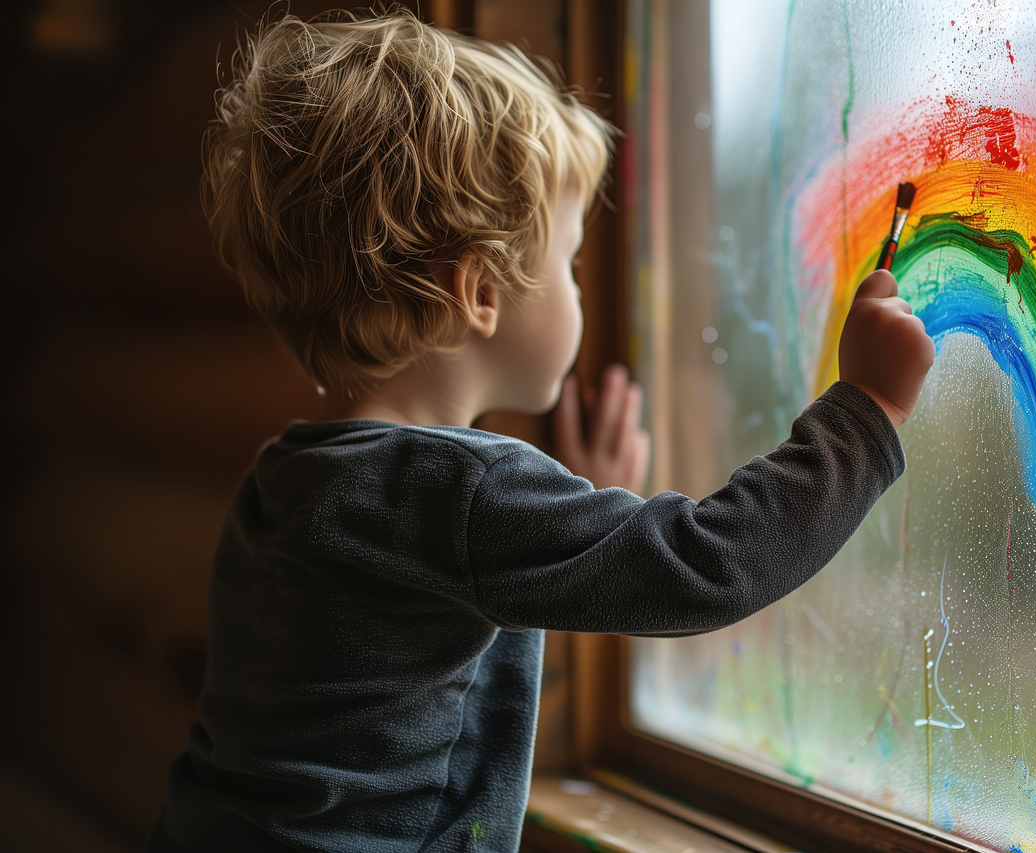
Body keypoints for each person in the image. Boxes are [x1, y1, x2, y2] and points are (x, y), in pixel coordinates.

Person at [146, 8, 934, 852]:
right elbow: (705, 565)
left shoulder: (281, 481)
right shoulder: (463, 495)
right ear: (480, 292)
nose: (581, 289)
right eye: (568, 258)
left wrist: (581, 501)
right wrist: (865, 411)